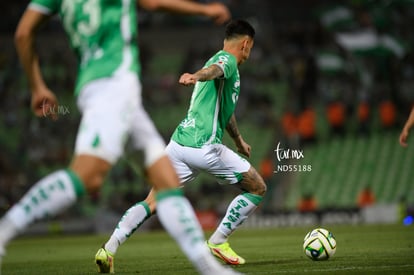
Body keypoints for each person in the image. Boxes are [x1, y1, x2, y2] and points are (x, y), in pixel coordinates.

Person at [0, 1, 237, 275]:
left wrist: (37, 86)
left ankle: (210, 269)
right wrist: (205, 11)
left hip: (97, 84)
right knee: (86, 175)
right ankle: (6, 229)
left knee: (166, 183)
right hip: (115, 84)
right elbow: (154, 2)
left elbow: (22, 34)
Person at [95, 19, 267, 272]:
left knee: (152, 201)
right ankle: (219, 240)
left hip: (178, 146)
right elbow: (214, 71)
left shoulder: (220, 62)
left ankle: (108, 249)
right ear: (246, 44)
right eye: (250, 46)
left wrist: (239, 140)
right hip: (203, 147)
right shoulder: (227, 61)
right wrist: (195, 75)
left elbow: (225, 112)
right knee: (257, 187)